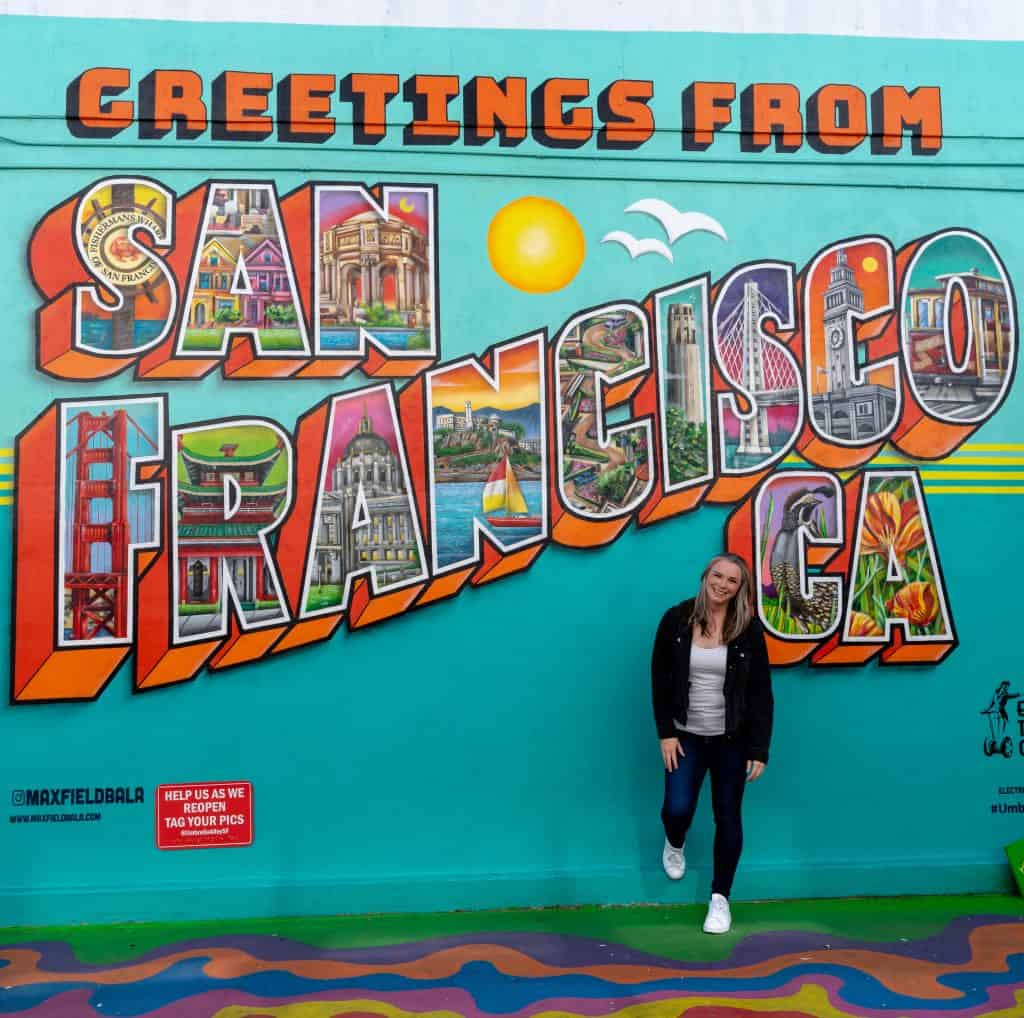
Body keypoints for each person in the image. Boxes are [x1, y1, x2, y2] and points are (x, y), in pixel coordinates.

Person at [650, 552, 773, 935]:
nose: (722, 584)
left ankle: (720, 899)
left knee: (728, 816)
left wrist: (758, 749)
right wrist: (666, 732)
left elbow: (760, 693)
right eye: (717, 576)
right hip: (686, 734)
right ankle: (675, 840)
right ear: (705, 577)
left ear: (740, 588)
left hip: (731, 739)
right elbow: (659, 678)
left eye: (732, 580)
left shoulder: (748, 629)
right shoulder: (676, 619)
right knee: (677, 807)